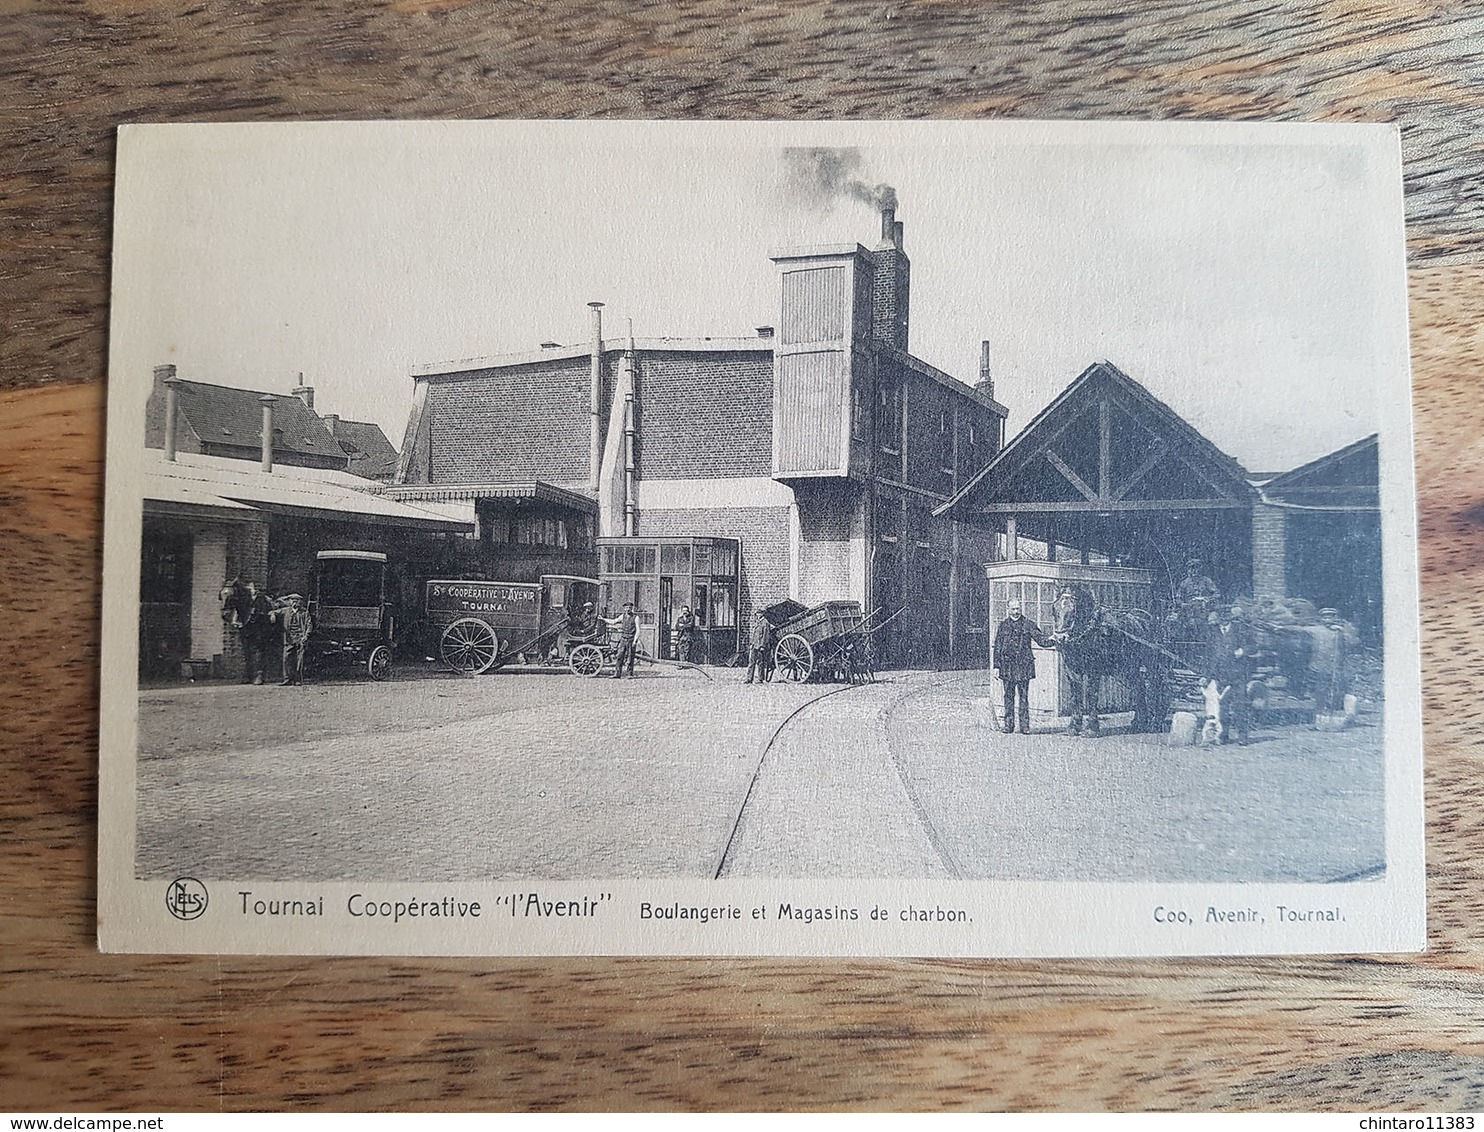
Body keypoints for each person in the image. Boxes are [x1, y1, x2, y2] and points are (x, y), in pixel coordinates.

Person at [992, 599, 1049, 734]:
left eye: (1018, 609)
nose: (1016, 612)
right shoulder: (1003, 626)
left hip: (1023, 666)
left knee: (1023, 697)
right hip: (1007, 667)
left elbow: (1041, 640)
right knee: (1008, 696)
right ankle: (1008, 725)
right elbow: (998, 647)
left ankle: (1025, 727)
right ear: (1008, 609)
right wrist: (996, 666)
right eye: (1013, 609)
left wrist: (1054, 639)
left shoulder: (1028, 624)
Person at [1204, 604, 1253, 743]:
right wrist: (1206, 676)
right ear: (1218, 618)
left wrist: (1242, 651)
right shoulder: (1213, 633)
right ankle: (1223, 735)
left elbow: (1254, 646)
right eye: (1221, 616)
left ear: (1230, 617)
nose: (1224, 618)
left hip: (1238, 674)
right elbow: (1209, 656)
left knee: (1240, 705)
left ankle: (1243, 735)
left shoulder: (1241, 630)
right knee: (1222, 707)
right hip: (1221, 675)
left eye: (1226, 615)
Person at [238, 580, 277, 685]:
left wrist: (271, 614)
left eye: (252, 588)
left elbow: (270, 610)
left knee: (259, 650)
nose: (251, 590)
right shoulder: (244, 600)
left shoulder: (263, 599)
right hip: (247, 628)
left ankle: (260, 675)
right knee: (247, 651)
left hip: (260, 627)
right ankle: (248, 674)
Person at [272, 593, 313, 686]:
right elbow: (273, 612)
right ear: (289, 602)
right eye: (292, 600)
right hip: (289, 639)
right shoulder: (285, 611)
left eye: (296, 601)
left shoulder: (304, 612)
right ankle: (287, 679)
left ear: (300, 602)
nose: (294, 602)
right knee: (286, 658)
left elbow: (309, 625)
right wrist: (273, 615)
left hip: (300, 638)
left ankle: (297, 679)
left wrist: (306, 636)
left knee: (299, 660)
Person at [604, 601, 639, 679]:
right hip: (623, 639)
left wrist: (635, 640)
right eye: (626, 608)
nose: (628, 609)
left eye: (629, 608)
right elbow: (613, 622)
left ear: (632, 608)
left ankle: (629, 674)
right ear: (624, 609)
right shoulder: (622, 616)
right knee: (619, 656)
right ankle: (617, 674)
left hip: (631, 639)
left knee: (630, 657)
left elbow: (638, 630)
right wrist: (603, 619)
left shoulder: (636, 617)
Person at [745, 610, 772, 684]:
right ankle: (749, 678)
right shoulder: (757, 622)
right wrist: (751, 643)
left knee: (760, 663)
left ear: (762, 614)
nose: (757, 615)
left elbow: (765, 635)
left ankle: (760, 678)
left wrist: (763, 646)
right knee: (751, 662)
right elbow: (754, 634)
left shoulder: (765, 623)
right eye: (757, 614)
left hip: (760, 646)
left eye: (759, 614)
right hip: (754, 645)